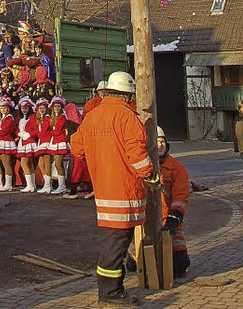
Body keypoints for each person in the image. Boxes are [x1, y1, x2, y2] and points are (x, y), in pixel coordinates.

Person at [71, 70, 153, 305]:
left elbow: (77, 148)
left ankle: (111, 290)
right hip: (124, 191)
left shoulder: (92, 117)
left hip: (105, 192)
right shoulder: (127, 117)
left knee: (114, 241)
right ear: (128, 95)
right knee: (116, 244)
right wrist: (151, 176)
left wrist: (99, 159)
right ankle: (110, 294)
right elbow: (137, 155)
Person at [156, 126, 191, 277]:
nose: (160, 145)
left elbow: (181, 196)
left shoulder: (176, 168)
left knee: (181, 264)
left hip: (169, 221)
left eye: (162, 141)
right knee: (136, 264)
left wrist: (173, 218)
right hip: (147, 223)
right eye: (156, 142)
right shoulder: (145, 167)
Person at [0, 95, 17, 192]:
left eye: (5, 107)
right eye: (1, 107)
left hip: (5, 141)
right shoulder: (2, 118)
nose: (3, 109)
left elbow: (5, 131)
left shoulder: (9, 118)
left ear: (8, 108)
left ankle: (8, 184)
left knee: (6, 163)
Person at [48, 95, 69, 195]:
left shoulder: (62, 117)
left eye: (58, 106)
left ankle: (62, 186)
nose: (57, 108)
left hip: (59, 141)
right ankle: (61, 185)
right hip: (55, 141)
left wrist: (48, 132)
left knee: (58, 164)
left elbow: (57, 131)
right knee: (56, 164)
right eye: (55, 106)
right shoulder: (54, 118)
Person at [16, 96, 38, 193]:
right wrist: (19, 134)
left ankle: (30, 185)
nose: (24, 110)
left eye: (26, 108)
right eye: (23, 108)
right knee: (29, 164)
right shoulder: (20, 118)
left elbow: (36, 129)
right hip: (22, 141)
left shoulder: (32, 117)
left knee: (25, 163)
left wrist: (29, 134)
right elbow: (17, 129)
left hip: (29, 141)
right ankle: (32, 185)